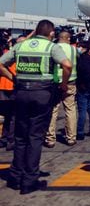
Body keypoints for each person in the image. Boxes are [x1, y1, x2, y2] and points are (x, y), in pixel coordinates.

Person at [0, 20, 72, 194]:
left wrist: (13, 78)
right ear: (51, 33)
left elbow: (1, 63)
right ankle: (29, 180)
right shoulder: (51, 47)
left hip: (22, 93)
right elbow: (67, 65)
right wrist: (63, 84)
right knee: (35, 136)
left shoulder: (21, 46)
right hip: (42, 94)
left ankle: (15, 177)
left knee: (20, 135)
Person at [44, 31, 78, 147]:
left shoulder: (53, 47)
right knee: (70, 109)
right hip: (70, 82)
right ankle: (71, 137)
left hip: (55, 82)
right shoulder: (74, 49)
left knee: (53, 110)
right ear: (68, 38)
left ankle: (50, 139)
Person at [76, 41, 90, 140]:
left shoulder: (81, 60)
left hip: (83, 87)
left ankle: (80, 131)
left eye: (80, 46)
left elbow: (80, 74)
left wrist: (79, 84)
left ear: (84, 48)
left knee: (82, 110)